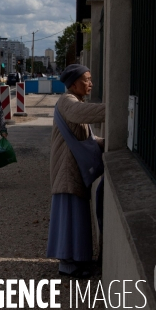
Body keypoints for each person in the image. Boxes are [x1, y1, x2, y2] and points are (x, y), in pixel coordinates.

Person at [47, 64, 105, 278]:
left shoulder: (74, 101)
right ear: (73, 84)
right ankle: (67, 264)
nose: (90, 83)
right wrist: (117, 109)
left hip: (72, 169)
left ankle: (77, 260)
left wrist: (103, 142)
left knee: (75, 215)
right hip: (67, 169)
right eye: (86, 79)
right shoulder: (68, 101)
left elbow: (86, 138)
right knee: (69, 215)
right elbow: (82, 115)